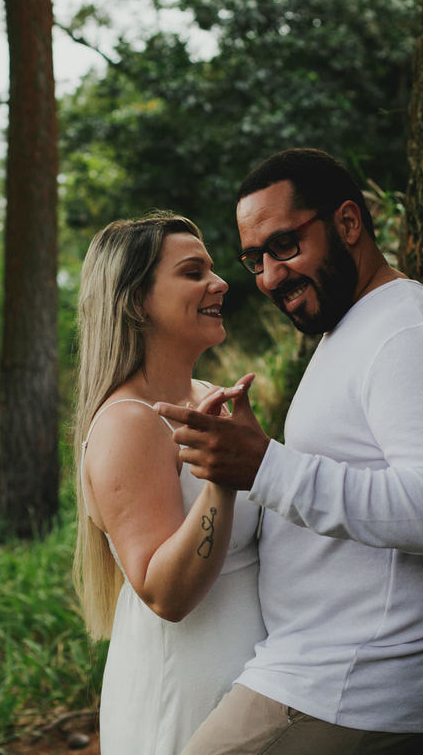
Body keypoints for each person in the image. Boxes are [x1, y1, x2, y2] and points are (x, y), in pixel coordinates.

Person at [154, 149, 423, 755]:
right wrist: (248, 462)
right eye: (254, 259)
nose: (269, 277)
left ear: (349, 224)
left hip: (345, 686)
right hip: (321, 676)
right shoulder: (351, 327)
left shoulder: (407, 331)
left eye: (284, 246)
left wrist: (265, 465)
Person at [73, 212, 267, 754]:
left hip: (254, 687)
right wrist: (222, 482)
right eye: (193, 271)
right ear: (136, 301)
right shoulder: (128, 424)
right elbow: (165, 593)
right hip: (182, 700)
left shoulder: (209, 395)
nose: (221, 281)